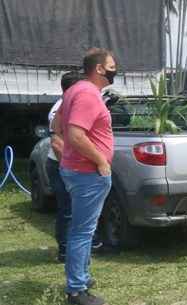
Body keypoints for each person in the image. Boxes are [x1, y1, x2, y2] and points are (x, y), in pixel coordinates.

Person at [54, 48, 117, 305]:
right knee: (82, 232)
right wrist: (101, 161)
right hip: (88, 173)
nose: (116, 68)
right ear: (100, 69)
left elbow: (57, 126)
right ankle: (76, 291)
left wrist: (66, 154)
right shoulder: (88, 94)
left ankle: (82, 276)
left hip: (76, 170)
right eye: (112, 65)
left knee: (83, 229)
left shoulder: (73, 91)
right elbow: (76, 135)